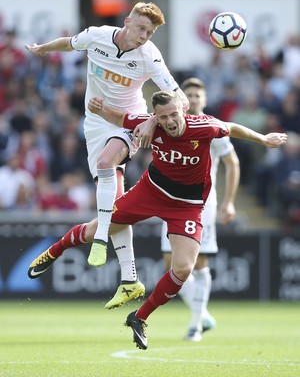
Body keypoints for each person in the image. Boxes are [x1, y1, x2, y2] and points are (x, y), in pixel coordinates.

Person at [28, 90, 287, 350]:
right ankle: (53, 252)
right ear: (157, 117)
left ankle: (139, 318)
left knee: (184, 268)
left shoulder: (204, 126)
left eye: (174, 114)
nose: (171, 121)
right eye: (164, 117)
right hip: (150, 192)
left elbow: (231, 127)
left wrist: (263, 139)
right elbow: (120, 117)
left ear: (183, 111)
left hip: (187, 205)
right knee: (100, 227)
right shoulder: (149, 123)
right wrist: (100, 109)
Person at [25, 2, 189, 307]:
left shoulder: (150, 55)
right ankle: (130, 280)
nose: (143, 35)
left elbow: (180, 99)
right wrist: (42, 49)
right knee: (117, 204)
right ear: (127, 21)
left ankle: (99, 240)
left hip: (129, 122)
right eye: (140, 28)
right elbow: (69, 43)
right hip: (95, 125)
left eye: (150, 32)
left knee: (105, 162)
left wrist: (152, 120)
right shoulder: (98, 36)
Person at [160, 78, 240, 342]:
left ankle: (195, 325)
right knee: (170, 264)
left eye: (197, 95)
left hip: (202, 206)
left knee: (199, 263)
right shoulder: (170, 125)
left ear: (204, 100)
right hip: (172, 202)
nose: (193, 99)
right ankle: (202, 312)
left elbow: (232, 162)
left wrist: (228, 201)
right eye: (189, 94)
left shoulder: (210, 128)